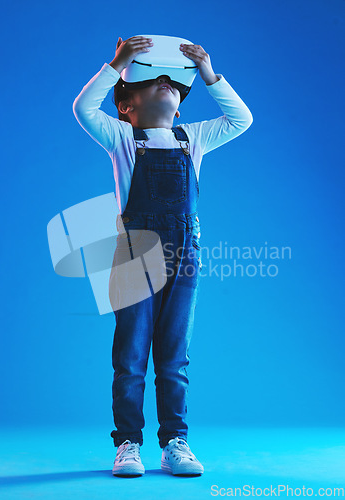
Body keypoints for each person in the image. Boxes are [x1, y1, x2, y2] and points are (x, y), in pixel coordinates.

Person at [73, 35, 253, 477]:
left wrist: (208, 72)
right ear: (125, 106)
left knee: (174, 356)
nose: (166, 83)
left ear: (180, 105)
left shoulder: (192, 138)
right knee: (131, 357)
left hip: (185, 256)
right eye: (151, 80)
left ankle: (176, 441)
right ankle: (128, 443)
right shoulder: (120, 138)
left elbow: (241, 118)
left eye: (173, 82)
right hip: (134, 252)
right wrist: (118, 63)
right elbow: (82, 109)